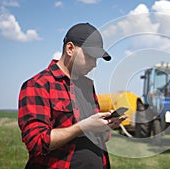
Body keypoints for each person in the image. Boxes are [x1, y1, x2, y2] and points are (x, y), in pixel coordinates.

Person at [18, 23, 126, 169]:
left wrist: (107, 126)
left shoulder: (87, 85)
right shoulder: (38, 85)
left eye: (97, 58)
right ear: (70, 49)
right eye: (90, 56)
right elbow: (37, 143)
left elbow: (98, 138)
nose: (94, 64)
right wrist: (82, 127)